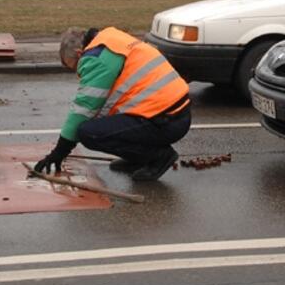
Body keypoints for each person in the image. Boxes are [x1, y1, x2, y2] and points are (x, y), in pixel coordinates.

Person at [34, 26, 191, 182]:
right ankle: (137, 157)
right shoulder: (110, 39)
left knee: (89, 133)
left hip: (166, 121)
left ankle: (159, 157)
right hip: (174, 112)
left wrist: (59, 152)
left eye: (76, 67)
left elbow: (83, 110)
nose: (80, 73)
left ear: (79, 54)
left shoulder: (96, 59)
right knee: (104, 124)